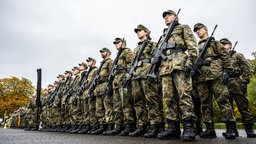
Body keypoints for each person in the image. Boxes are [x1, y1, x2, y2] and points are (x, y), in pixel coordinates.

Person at [152, 10, 198, 141]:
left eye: (168, 15)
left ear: (176, 17)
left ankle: (189, 126)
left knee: (184, 94)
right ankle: (173, 128)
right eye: (164, 17)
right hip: (165, 67)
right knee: (168, 98)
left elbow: (193, 46)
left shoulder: (183, 28)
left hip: (179, 63)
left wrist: (190, 62)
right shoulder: (163, 35)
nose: (166, 18)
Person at [193, 23, 236, 139]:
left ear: (205, 29)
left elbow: (225, 57)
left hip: (216, 75)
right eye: (196, 30)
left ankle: (231, 128)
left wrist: (227, 71)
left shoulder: (214, 43)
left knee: (223, 100)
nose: (197, 32)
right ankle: (209, 129)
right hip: (201, 78)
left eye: (199, 29)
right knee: (205, 104)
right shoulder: (196, 47)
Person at [128, 24, 162, 138]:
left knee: (151, 99)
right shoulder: (136, 48)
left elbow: (158, 59)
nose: (138, 33)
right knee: (138, 102)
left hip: (147, 73)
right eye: (137, 31)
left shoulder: (153, 44)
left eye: (140, 31)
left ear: (146, 32)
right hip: (136, 75)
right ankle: (141, 125)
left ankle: (155, 125)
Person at [220, 38, 256, 138]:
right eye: (221, 44)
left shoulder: (237, 55)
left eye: (225, 44)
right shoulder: (220, 58)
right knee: (228, 108)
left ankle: (249, 129)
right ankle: (232, 130)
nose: (223, 46)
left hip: (237, 82)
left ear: (230, 45)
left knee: (243, 107)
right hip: (225, 84)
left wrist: (244, 82)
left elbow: (246, 69)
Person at [106, 38, 135, 136]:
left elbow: (131, 65)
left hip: (123, 80)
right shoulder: (117, 56)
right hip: (116, 81)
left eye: (117, 43)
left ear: (123, 43)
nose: (116, 45)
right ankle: (119, 125)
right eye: (115, 43)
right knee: (117, 105)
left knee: (125, 104)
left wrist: (127, 78)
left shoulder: (127, 51)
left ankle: (129, 125)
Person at [91, 48, 113, 135]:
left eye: (103, 52)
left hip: (105, 85)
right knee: (99, 108)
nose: (102, 53)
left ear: (108, 53)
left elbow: (112, 74)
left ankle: (110, 125)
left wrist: (110, 86)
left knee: (107, 106)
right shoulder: (102, 64)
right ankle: (102, 125)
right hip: (99, 87)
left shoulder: (110, 62)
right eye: (101, 52)